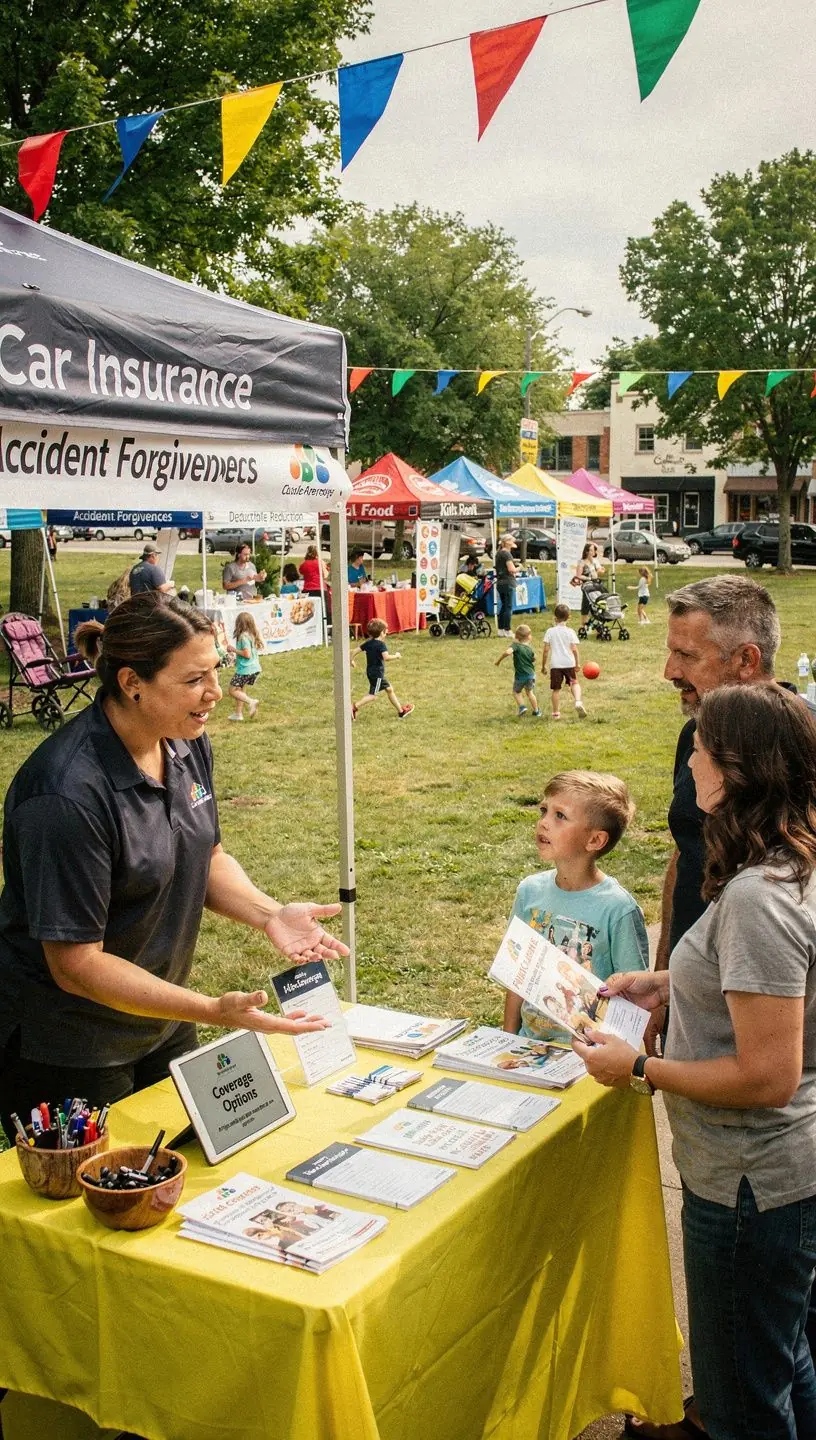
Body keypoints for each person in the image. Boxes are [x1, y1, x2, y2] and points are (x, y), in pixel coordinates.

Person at [0, 594, 345, 1145]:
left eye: (216, 671)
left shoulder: (184, 743)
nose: (215, 692)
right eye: (194, 680)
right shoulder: (65, 795)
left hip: (160, 1018)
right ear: (132, 683)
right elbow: (76, 965)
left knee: (193, 1172)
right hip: (70, 1045)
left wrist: (269, 914)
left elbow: (206, 856)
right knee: (107, 1191)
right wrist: (211, 1010)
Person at [575, 685, 816, 1440]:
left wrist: (637, 1069)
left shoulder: (758, 896)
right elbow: (777, 987)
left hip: (750, 1182)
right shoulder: (786, 862)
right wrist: (669, 981)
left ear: (738, 768)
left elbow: (767, 1074)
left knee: (740, 1402)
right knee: (783, 1363)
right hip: (774, 1179)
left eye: (703, 750)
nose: (692, 763)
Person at [502, 769, 648, 1043]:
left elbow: (634, 997)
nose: (543, 823)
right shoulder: (529, 892)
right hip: (528, 1048)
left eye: (560, 816)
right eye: (544, 810)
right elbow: (516, 975)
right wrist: (508, 1039)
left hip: (590, 1055)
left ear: (595, 840)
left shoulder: (618, 909)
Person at [350, 618, 414, 721]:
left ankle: (401, 711)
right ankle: (354, 707)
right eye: (386, 630)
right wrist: (396, 656)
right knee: (372, 696)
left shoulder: (368, 643)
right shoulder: (381, 645)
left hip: (370, 672)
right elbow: (386, 657)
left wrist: (351, 660)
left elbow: (355, 651)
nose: (387, 631)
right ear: (382, 633)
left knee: (389, 689)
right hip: (377, 674)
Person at [542, 602, 587, 720]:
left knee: (556, 689)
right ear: (569, 617)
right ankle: (578, 701)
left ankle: (556, 713)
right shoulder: (570, 632)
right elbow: (574, 649)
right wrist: (577, 663)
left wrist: (543, 666)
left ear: (555, 617)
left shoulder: (550, 631)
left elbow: (546, 650)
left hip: (556, 665)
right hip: (569, 663)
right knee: (574, 683)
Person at [495, 623, 542, 717]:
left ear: (516, 636)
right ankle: (536, 711)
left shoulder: (515, 645)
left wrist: (498, 661)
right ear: (528, 637)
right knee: (530, 692)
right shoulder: (529, 649)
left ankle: (522, 707)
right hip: (531, 675)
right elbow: (534, 659)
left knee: (516, 692)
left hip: (520, 676)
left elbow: (507, 652)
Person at [227, 611, 263, 721]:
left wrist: (233, 650)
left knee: (232, 690)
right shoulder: (251, 634)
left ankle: (251, 702)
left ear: (239, 624)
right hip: (253, 668)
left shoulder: (243, 637)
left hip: (245, 669)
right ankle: (238, 714)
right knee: (240, 690)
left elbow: (247, 654)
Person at [299, 544, 331, 622]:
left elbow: (301, 572)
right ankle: (325, 626)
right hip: (320, 588)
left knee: (309, 611)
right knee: (324, 610)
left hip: (307, 589)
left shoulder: (304, 564)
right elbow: (326, 575)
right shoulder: (320, 563)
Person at [494, 534, 518, 637]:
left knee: (503, 606)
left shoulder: (499, 553)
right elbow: (512, 570)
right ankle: (507, 630)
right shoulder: (507, 554)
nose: (513, 543)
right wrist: (519, 568)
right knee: (508, 607)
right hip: (508, 582)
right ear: (507, 542)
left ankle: (501, 630)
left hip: (500, 582)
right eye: (512, 541)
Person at [574, 542, 605, 617]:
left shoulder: (595, 561)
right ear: (587, 552)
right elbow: (578, 575)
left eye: (594, 550)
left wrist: (600, 570)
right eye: (592, 550)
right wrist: (589, 578)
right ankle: (584, 621)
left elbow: (599, 570)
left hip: (596, 583)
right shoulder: (582, 562)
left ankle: (597, 616)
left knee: (599, 600)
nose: (594, 551)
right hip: (587, 585)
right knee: (586, 603)